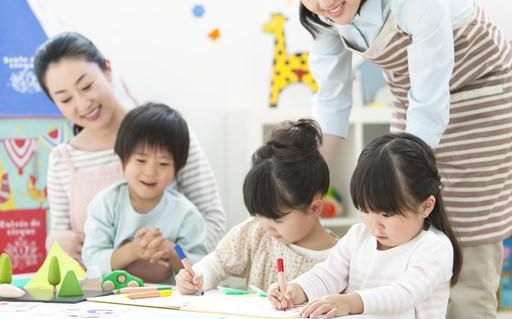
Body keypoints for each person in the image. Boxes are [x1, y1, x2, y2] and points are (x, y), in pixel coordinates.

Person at [276, 0, 512, 319]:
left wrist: (396, 173)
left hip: (480, 97)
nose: (323, 1)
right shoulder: (321, 15)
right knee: (405, 233)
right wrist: (312, 177)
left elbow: (431, 98)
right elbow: (331, 97)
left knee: (467, 249)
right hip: (413, 101)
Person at [34, 32, 226, 262]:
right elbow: (62, 240)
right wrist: (56, 243)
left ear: (107, 70)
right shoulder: (62, 160)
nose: (83, 104)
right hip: (96, 284)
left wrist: (177, 258)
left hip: (172, 283)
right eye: (66, 99)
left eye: (87, 86)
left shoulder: (166, 133)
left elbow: (213, 219)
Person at [268, 133, 462, 319]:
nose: (373, 225)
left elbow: (404, 294)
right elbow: (328, 274)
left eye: (386, 214)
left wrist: (349, 302)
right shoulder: (358, 237)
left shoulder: (434, 248)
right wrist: (296, 290)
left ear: (425, 206)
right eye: (365, 210)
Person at [176, 119, 337, 294]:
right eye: (260, 216)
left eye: (277, 219)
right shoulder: (255, 232)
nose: (267, 226)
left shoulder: (341, 257)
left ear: (315, 208)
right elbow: (216, 264)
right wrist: (197, 278)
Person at [82, 103, 207, 282]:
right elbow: (92, 260)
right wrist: (133, 251)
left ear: (176, 168)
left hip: (170, 297)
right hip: (114, 295)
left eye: (163, 163)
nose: (150, 172)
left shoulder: (186, 213)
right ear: (123, 160)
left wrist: (172, 250)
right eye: (141, 160)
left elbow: (200, 266)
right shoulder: (106, 203)